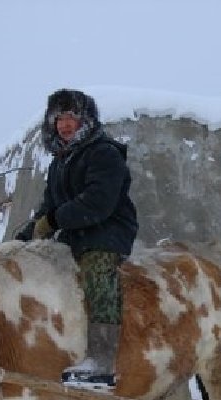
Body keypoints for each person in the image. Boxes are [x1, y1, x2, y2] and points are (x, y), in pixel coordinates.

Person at [16, 89, 138, 383]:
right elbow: (48, 207)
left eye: (72, 117)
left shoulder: (104, 153)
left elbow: (98, 202)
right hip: (74, 237)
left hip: (107, 232)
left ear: (86, 121)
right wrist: (22, 239)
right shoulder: (60, 162)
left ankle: (102, 360)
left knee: (97, 273)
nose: (65, 124)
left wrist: (54, 220)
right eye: (59, 119)